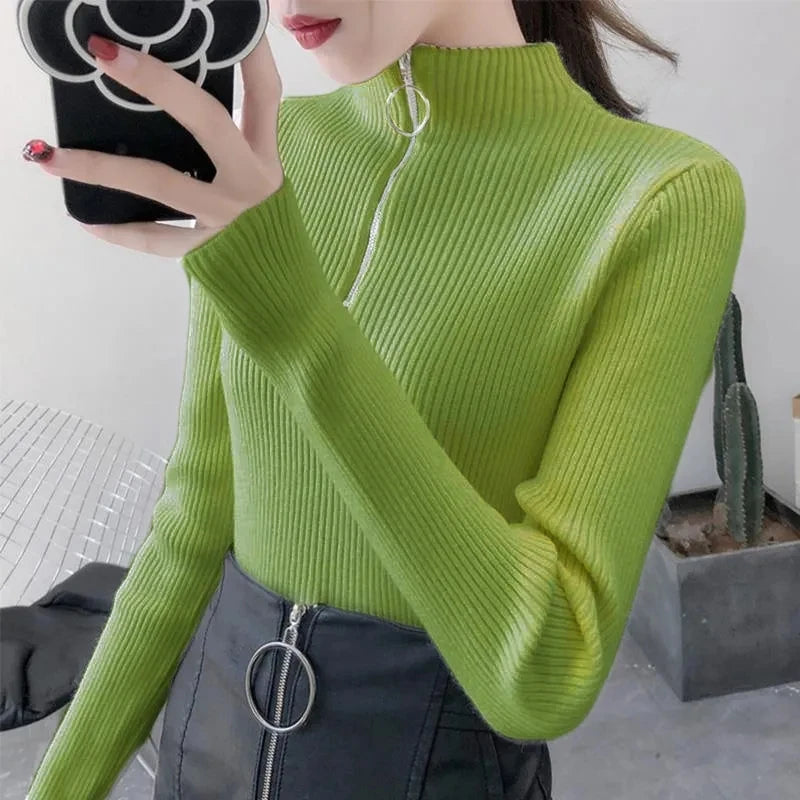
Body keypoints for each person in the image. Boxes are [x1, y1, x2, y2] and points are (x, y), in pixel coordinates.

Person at [23, 1, 746, 798]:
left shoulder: (663, 197)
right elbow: (192, 523)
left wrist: (295, 322)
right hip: (204, 760)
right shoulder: (275, 150)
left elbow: (547, 671)